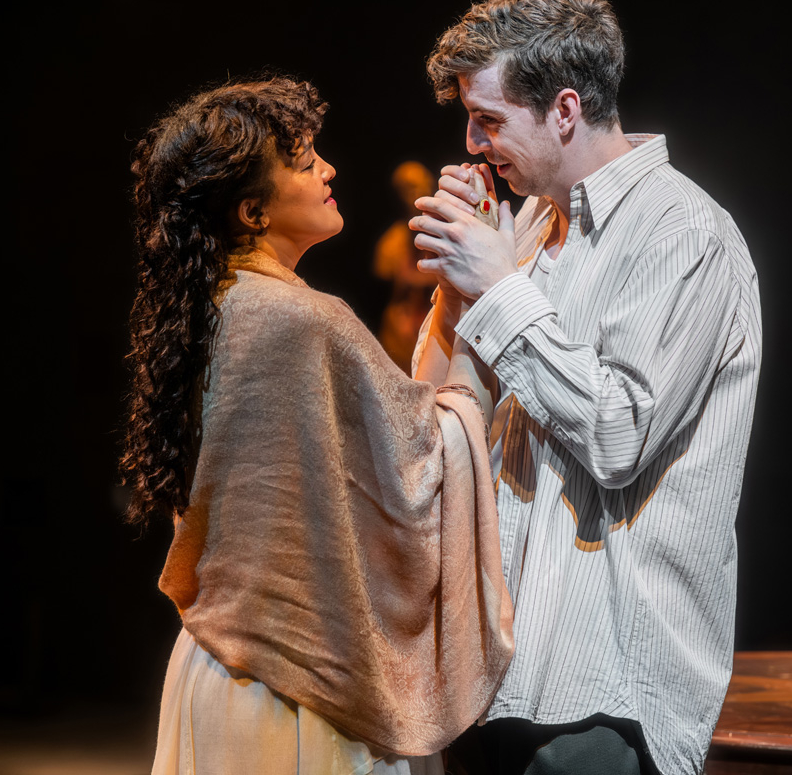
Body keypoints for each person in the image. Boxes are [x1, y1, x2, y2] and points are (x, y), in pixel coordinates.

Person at [409, 0, 763, 775]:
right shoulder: (527, 228)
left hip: (604, 697)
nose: (471, 142)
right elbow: (439, 423)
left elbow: (618, 435)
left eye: (488, 119)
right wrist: (460, 289)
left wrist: (499, 289)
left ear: (565, 110)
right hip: (492, 681)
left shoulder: (684, 232)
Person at [121, 77, 513, 775]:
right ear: (252, 211)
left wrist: (452, 296)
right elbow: (429, 457)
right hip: (299, 692)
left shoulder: (218, 307)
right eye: (304, 163)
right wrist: (489, 291)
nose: (329, 169)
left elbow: (401, 423)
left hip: (222, 673)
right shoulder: (302, 321)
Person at [374, 161, 440, 372]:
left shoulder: (444, 235)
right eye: (410, 188)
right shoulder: (392, 242)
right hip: (400, 333)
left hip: (437, 326)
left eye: (424, 183)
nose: (419, 191)